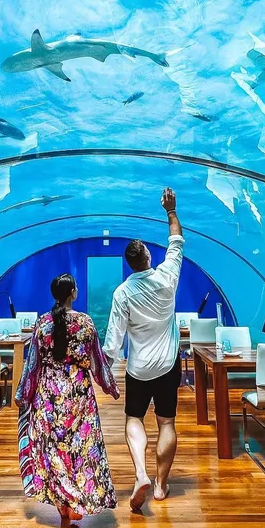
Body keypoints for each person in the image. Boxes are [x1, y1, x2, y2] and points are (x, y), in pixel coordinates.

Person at [15, 273, 120, 522]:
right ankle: (76, 500)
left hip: (49, 393)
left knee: (52, 448)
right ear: (73, 292)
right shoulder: (85, 322)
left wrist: (23, 394)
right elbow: (97, 361)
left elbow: (33, 364)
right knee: (80, 447)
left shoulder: (42, 323)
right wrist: (110, 386)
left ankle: (63, 502)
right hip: (78, 393)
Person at [103, 187, 184, 511]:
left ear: (128, 264)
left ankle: (140, 475)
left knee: (134, 418)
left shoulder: (123, 293)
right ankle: (161, 484)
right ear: (148, 258)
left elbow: (113, 339)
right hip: (168, 364)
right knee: (166, 423)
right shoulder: (167, 278)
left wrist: (107, 372)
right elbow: (176, 242)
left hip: (138, 369)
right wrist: (170, 211)